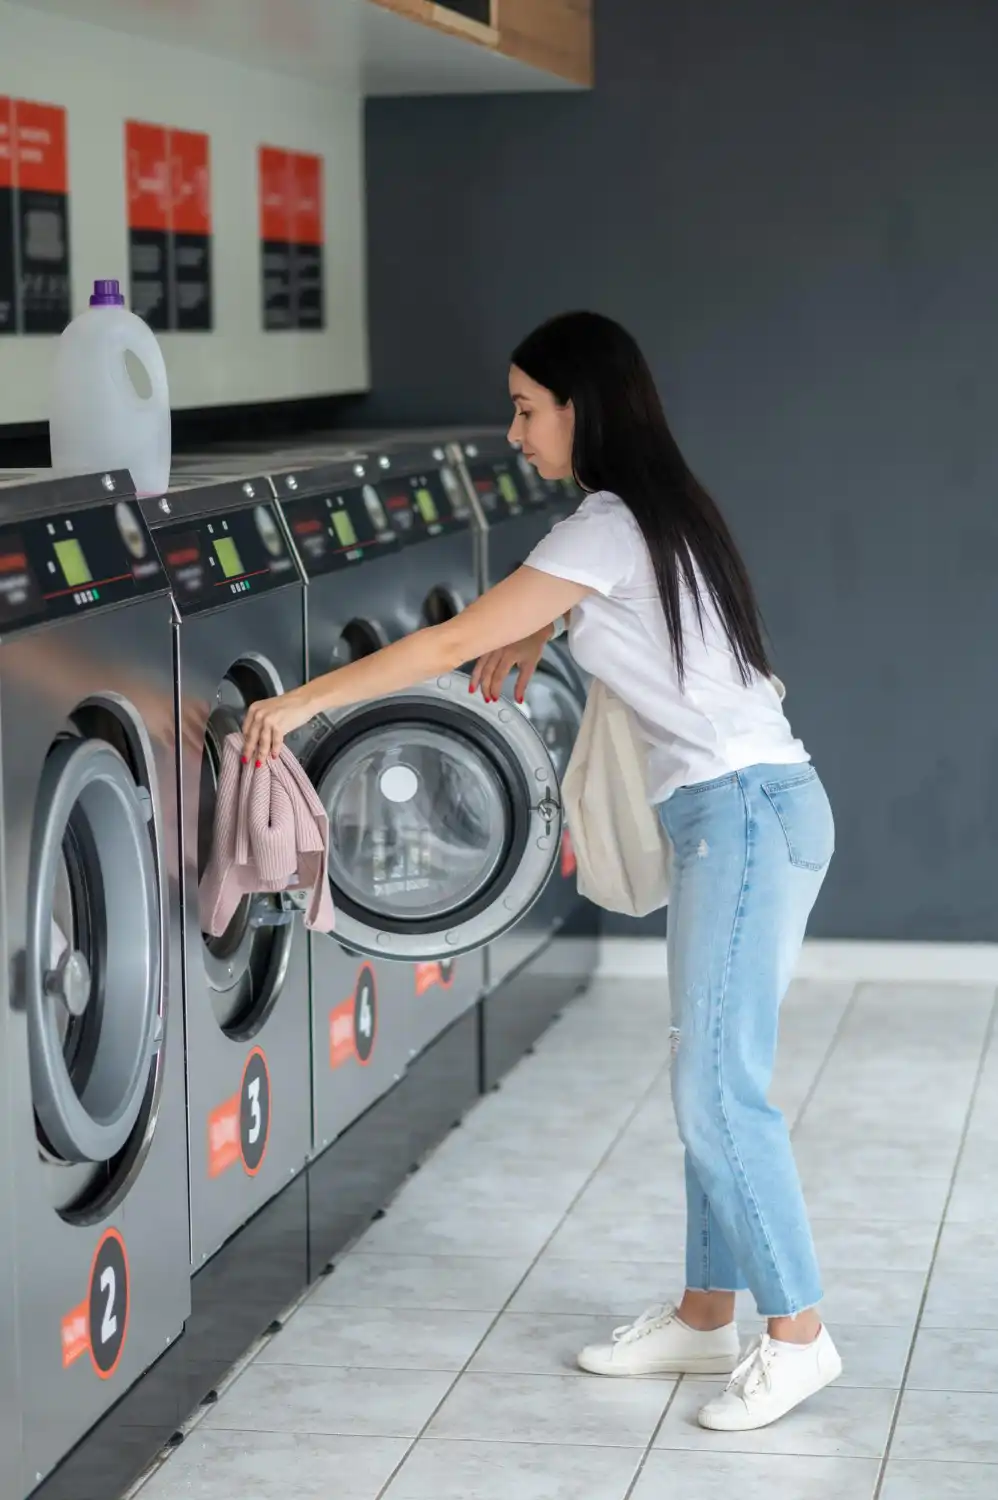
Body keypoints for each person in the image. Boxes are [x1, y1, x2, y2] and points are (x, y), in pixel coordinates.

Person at [241, 310, 840, 1433]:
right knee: (703, 1070)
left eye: (526, 408)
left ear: (583, 406)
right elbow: (636, 640)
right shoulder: (650, 514)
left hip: (744, 817)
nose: (513, 432)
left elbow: (443, 643)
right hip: (751, 812)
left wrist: (299, 704)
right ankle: (706, 1316)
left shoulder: (604, 526)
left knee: (718, 1089)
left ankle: (796, 1334)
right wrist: (540, 638)